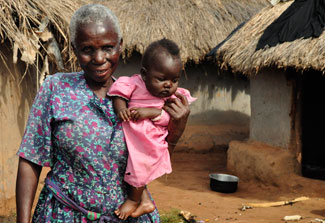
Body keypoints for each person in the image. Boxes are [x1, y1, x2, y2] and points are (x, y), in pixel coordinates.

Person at [15, 4, 190, 223]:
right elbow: (31, 158)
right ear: (74, 49)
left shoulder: (140, 99)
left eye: (108, 48)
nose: (99, 58)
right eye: (87, 49)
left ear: (120, 46)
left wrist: (175, 131)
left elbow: (151, 162)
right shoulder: (56, 89)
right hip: (63, 215)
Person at [109, 38, 196, 220]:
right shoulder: (133, 83)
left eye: (174, 80)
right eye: (161, 79)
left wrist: (151, 112)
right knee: (133, 166)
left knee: (139, 167)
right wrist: (121, 110)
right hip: (134, 136)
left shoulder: (170, 99)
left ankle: (134, 200)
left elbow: (167, 120)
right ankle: (146, 201)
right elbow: (118, 94)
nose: (168, 85)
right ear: (144, 74)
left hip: (150, 140)